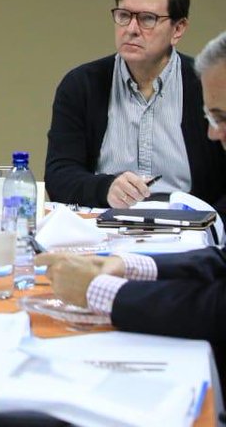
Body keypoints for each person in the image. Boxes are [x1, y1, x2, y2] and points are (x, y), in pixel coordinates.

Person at [39, 29, 226, 386]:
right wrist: (128, 266)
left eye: (222, 118)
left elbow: (215, 308)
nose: (213, 134)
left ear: (178, 27)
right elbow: (221, 262)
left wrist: (98, 291)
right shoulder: (82, 83)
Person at [45, 0, 226, 213]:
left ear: (178, 29)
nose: (131, 29)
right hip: (105, 225)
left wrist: (208, 224)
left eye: (147, 19)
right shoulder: (81, 85)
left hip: (191, 228)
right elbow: (59, 175)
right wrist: (106, 188)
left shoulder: (207, 85)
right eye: (124, 16)